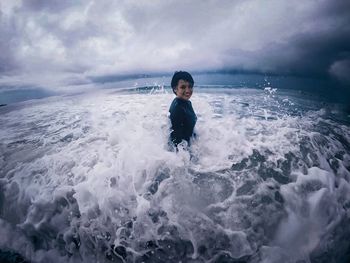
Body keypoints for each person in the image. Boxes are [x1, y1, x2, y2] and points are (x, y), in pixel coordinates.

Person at [168, 71, 197, 149]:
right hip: (182, 154)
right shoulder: (178, 108)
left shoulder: (186, 103)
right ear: (175, 89)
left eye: (190, 86)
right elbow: (176, 138)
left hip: (188, 148)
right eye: (183, 87)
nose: (187, 91)